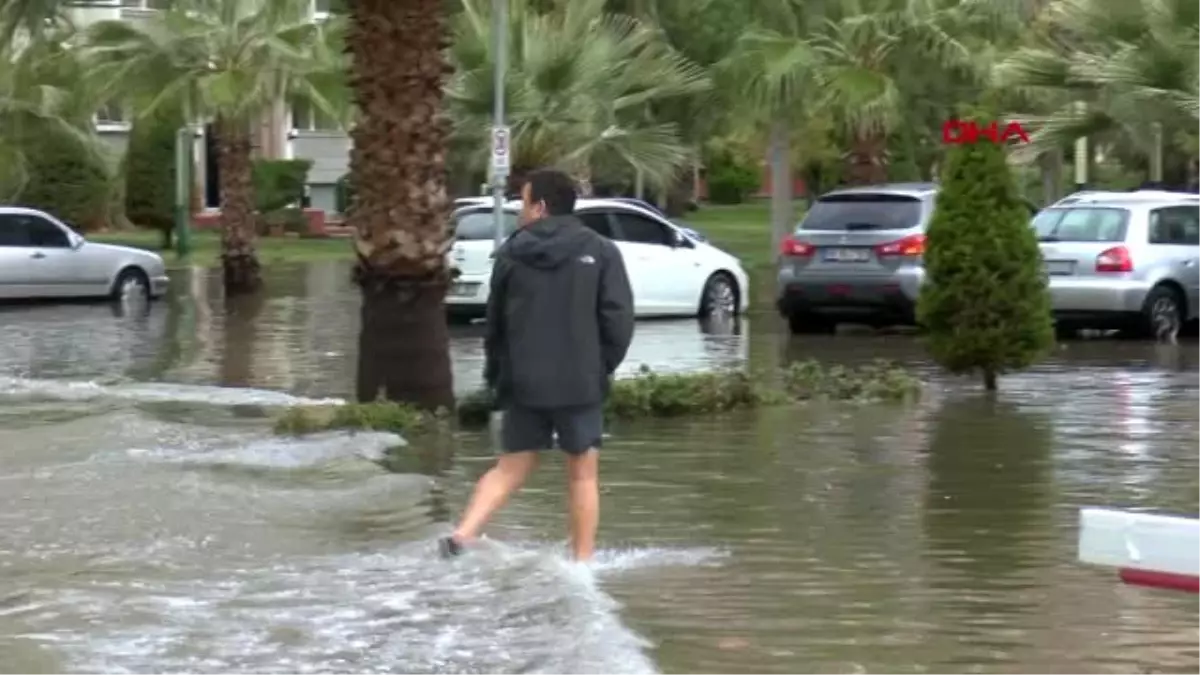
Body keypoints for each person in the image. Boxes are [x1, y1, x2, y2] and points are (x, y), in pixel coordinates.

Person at [440, 168, 635, 561]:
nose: (519, 211)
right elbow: (618, 319)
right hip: (580, 381)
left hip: (524, 380)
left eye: (524, 202)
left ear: (541, 207)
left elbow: (495, 324)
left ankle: (463, 534)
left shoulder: (511, 253)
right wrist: (602, 367)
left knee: (510, 466)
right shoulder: (600, 251)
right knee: (582, 473)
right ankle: (581, 562)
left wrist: (497, 376)